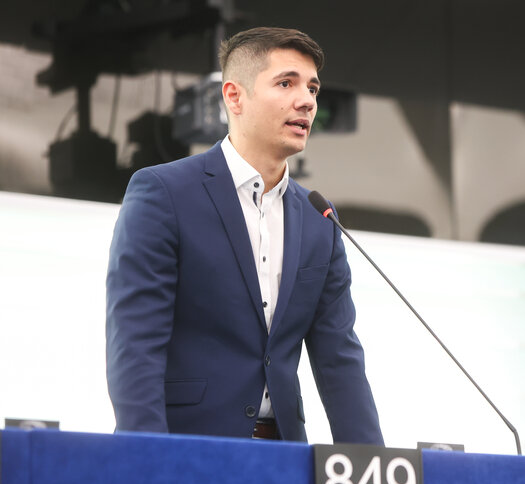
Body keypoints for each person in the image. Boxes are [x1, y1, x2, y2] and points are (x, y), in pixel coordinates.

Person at [106, 27, 383, 445]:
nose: (307, 100)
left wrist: (372, 471)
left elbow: (339, 358)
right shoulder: (164, 193)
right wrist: (147, 460)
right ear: (234, 96)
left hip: (284, 455)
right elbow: (136, 341)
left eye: (312, 87)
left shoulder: (318, 218)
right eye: (286, 83)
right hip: (187, 450)